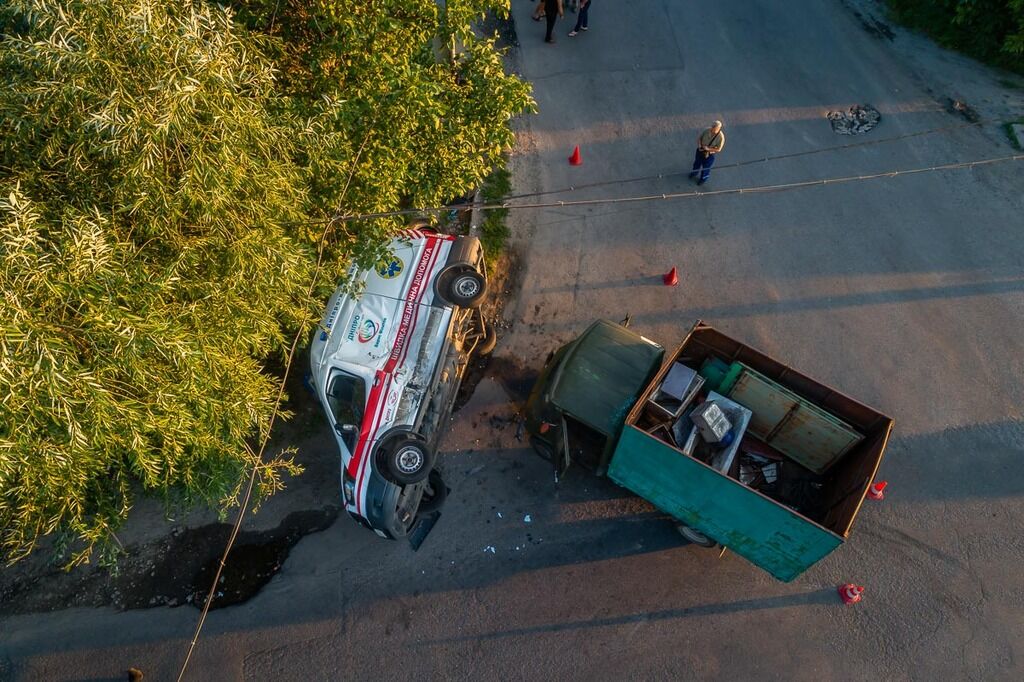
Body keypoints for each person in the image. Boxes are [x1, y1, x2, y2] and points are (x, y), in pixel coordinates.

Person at [689, 120, 725, 185]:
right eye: (712, 127)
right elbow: (700, 138)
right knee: (697, 163)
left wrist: (709, 149)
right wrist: (699, 145)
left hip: (709, 155)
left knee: (706, 168)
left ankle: (703, 179)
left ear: (718, 128)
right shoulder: (707, 130)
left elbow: (719, 149)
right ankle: (694, 173)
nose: (712, 129)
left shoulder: (721, 137)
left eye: (714, 128)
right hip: (700, 150)